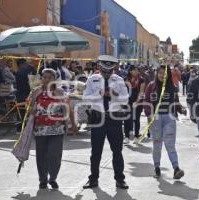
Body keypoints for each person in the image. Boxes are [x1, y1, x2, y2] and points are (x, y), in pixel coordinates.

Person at [82, 55, 129, 190]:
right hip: (98, 118)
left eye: (110, 71)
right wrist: (100, 94)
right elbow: (85, 98)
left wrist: (114, 95)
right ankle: (93, 179)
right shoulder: (92, 80)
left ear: (113, 69)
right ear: (99, 68)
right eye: (104, 71)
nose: (107, 74)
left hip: (114, 118)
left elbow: (125, 100)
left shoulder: (119, 80)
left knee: (117, 151)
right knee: (96, 151)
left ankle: (120, 179)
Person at [29, 68, 77, 189]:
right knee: (41, 155)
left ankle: (53, 178)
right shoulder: (36, 92)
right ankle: (43, 180)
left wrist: (73, 124)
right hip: (40, 129)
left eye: (49, 77)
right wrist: (32, 111)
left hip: (57, 129)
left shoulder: (59, 92)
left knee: (55, 154)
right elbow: (30, 109)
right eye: (44, 77)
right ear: (41, 79)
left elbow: (68, 108)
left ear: (54, 79)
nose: (46, 79)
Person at [144, 65, 187, 179]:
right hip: (156, 119)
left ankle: (176, 168)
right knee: (157, 145)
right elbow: (146, 102)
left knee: (170, 144)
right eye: (160, 73)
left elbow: (176, 102)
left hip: (169, 118)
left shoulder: (172, 87)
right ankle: (157, 168)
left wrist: (181, 109)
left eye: (165, 73)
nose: (162, 75)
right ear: (157, 73)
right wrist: (149, 114)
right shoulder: (150, 86)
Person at [124, 65, 146, 144]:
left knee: (136, 119)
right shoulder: (126, 80)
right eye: (135, 70)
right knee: (127, 119)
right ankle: (126, 137)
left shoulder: (141, 80)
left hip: (138, 102)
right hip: (127, 102)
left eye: (137, 70)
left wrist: (136, 102)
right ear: (130, 71)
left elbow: (142, 92)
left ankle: (136, 136)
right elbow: (123, 92)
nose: (137, 71)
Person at [15, 59, 36, 134]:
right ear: (21, 64)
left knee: (21, 112)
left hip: (20, 95)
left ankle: (19, 128)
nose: (27, 65)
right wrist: (32, 68)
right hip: (26, 95)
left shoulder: (18, 72)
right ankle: (29, 127)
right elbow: (31, 79)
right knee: (28, 110)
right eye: (25, 64)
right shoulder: (23, 72)